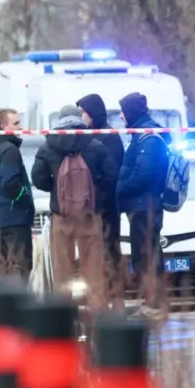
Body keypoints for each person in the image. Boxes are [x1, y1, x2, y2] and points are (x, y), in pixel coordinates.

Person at [31, 105, 118, 308]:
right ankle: (98, 318)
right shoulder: (94, 144)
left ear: (59, 121)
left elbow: (38, 178)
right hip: (89, 216)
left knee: (63, 271)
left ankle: (64, 320)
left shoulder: (49, 146)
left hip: (61, 217)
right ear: (79, 119)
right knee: (94, 271)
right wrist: (97, 195)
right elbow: (111, 176)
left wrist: (55, 190)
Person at [115, 92, 169, 309]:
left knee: (147, 256)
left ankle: (154, 302)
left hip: (144, 206)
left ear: (131, 112)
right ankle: (152, 300)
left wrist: (118, 189)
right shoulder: (142, 134)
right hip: (141, 206)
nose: (120, 116)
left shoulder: (147, 136)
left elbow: (143, 174)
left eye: (122, 111)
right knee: (146, 254)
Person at [76, 93, 125, 308]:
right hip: (91, 207)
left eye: (83, 112)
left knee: (110, 252)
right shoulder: (86, 136)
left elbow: (112, 174)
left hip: (107, 207)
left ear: (92, 113)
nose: (81, 117)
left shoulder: (109, 137)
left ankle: (116, 297)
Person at [0, 108, 35, 279]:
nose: (21, 127)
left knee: (5, 269)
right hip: (15, 220)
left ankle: (6, 305)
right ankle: (18, 305)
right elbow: (10, 183)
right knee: (20, 268)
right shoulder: (8, 149)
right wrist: (25, 199)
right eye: (16, 123)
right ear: (4, 126)